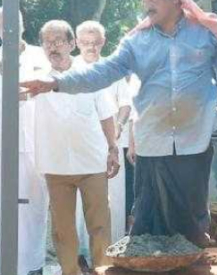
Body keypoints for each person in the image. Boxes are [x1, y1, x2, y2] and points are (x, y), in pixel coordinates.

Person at [21, 0, 217, 248]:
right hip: (151, 144)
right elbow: (101, 73)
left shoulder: (205, 35)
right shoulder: (136, 42)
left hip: (194, 142)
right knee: (148, 227)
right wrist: (55, 82)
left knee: (192, 229)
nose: (148, 4)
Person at [31, 20, 119, 275]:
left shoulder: (90, 75)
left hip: (92, 162)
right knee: (62, 230)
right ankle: (70, 272)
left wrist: (113, 149)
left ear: (71, 44)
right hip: (56, 165)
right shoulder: (36, 78)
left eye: (58, 41)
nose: (52, 47)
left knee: (100, 225)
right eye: (47, 42)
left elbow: (106, 115)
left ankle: (103, 270)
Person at [0, 7, 50, 275]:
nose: (9, 29)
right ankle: (2, 267)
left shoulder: (40, 56)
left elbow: (51, 91)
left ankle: (33, 266)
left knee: (34, 204)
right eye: (3, 25)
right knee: (4, 205)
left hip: (37, 139)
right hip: (2, 143)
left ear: (23, 24)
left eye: (14, 23)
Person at [73, 21, 133, 263]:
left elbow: (125, 104)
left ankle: (112, 255)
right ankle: (82, 256)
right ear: (77, 43)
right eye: (86, 43)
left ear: (103, 42)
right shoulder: (70, 70)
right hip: (79, 146)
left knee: (114, 201)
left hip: (111, 145)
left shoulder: (112, 68)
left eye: (96, 43)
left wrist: (117, 127)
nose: (91, 47)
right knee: (79, 203)